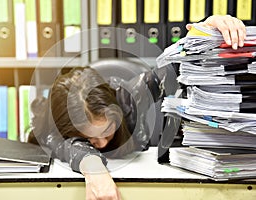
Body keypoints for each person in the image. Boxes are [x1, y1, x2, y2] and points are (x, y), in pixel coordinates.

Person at [28, 15, 247, 200]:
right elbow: (62, 144)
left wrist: (206, 31)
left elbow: (173, 66)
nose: (103, 143)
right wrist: (92, 165)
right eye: (89, 139)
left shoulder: (128, 99)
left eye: (107, 130)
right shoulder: (53, 131)